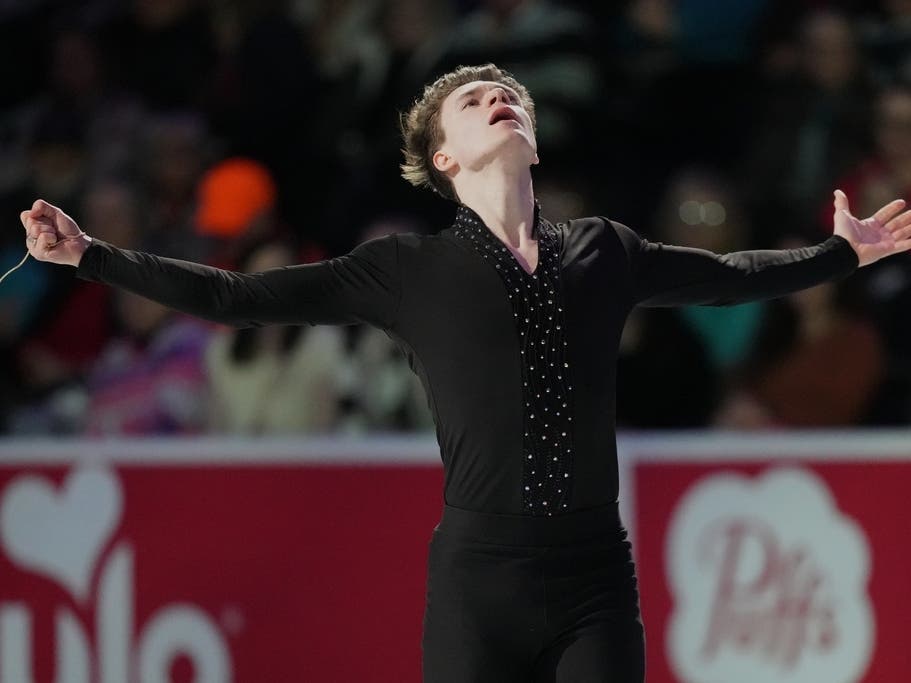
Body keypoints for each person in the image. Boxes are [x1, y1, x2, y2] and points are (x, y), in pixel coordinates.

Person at [18, 63, 911, 682]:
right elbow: (235, 296)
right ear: (442, 159)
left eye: (507, 93)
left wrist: (840, 254)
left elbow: (731, 278)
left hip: (596, 573)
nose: (498, 98)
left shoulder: (603, 250)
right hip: (478, 583)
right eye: (475, 98)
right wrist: (93, 257)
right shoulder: (405, 269)